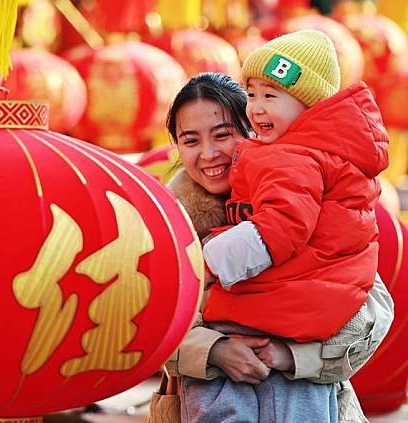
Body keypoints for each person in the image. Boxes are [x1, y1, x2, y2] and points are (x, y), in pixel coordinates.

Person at [164, 72, 394, 422]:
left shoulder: (315, 202)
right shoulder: (166, 222)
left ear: (255, 130)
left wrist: (290, 355)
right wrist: (215, 351)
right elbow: (139, 325)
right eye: (190, 140)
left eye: (223, 135)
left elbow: (371, 315)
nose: (209, 154)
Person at [202, 29, 389, 343]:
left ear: (309, 105)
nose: (256, 108)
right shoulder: (319, 150)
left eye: (270, 96)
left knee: (225, 390)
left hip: (283, 302)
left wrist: (208, 261)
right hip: (319, 296)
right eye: (251, 94)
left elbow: (282, 225)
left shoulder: (293, 156)